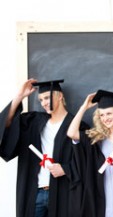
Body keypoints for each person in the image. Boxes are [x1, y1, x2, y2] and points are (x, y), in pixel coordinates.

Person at [0, 78, 88, 217]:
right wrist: (20, 96)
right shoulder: (33, 122)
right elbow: (7, 123)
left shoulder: (77, 126)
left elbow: (87, 162)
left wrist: (65, 169)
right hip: (35, 193)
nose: (44, 103)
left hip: (63, 192)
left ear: (59, 96)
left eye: (47, 98)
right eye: (41, 100)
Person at [67, 89, 113, 217]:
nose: (105, 118)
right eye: (101, 115)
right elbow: (71, 133)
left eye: (109, 114)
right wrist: (84, 107)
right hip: (102, 188)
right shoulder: (97, 139)